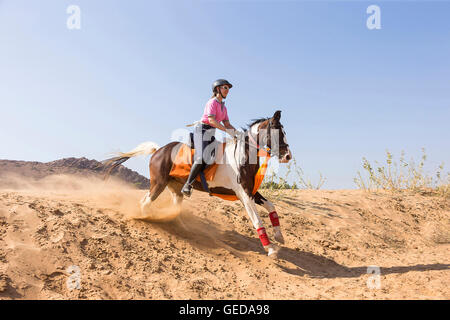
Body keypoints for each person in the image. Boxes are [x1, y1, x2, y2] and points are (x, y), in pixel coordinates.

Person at [181, 79, 239, 197]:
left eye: (228, 88)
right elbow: (212, 120)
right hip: (201, 131)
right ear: (217, 89)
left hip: (211, 133)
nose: (227, 90)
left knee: (220, 156)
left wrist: (238, 133)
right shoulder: (212, 102)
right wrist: (228, 131)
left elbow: (227, 124)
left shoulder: (224, 107)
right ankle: (187, 184)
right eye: (225, 88)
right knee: (202, 157)